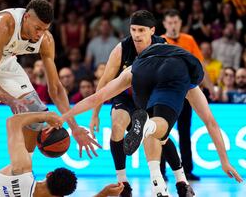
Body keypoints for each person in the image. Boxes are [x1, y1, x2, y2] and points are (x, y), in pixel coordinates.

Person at [60, 43, 243, 196]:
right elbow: (210, 122)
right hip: (171, 74)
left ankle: (157, 184)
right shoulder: (187, 80)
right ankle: (149, 130)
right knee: (159, 127)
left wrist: (63, 117)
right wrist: (224, 160)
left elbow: (97, 97)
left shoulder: (133, 63)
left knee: (155, 131)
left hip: (142, 71)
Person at [0, 0, 100, 174]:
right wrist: (10, 100)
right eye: (37, 28)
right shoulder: (5, 24)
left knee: (35, 112)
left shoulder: (45, 40)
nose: (40, 34)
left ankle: (23, 172)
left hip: (2, 59)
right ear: (26, 17)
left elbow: (56, 89)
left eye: (45, 29)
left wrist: (74, 127)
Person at [89, 10, 193, 196]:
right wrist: (95, 114)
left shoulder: (163, 47)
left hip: (150, 96)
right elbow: (104, 82)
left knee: (161, 136)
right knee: (117, 125)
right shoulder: (121, 49)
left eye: (141, 30)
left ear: (152, 31)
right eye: (133, 29)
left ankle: (181, 181)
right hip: (126, 96)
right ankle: (123, 183)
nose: (136, 34)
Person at [161, 8, 211, 181]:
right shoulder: (160, 41)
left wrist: (208, 86)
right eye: (170, 22)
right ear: (165, 24)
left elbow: (200, 64)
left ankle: (187, 170)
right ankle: (161, 171)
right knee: (161, 132)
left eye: (176, 22)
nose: (173, 25)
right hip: (165, 94)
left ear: (180, 23)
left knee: (184, 132)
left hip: (186, 93)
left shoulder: (189, 40)